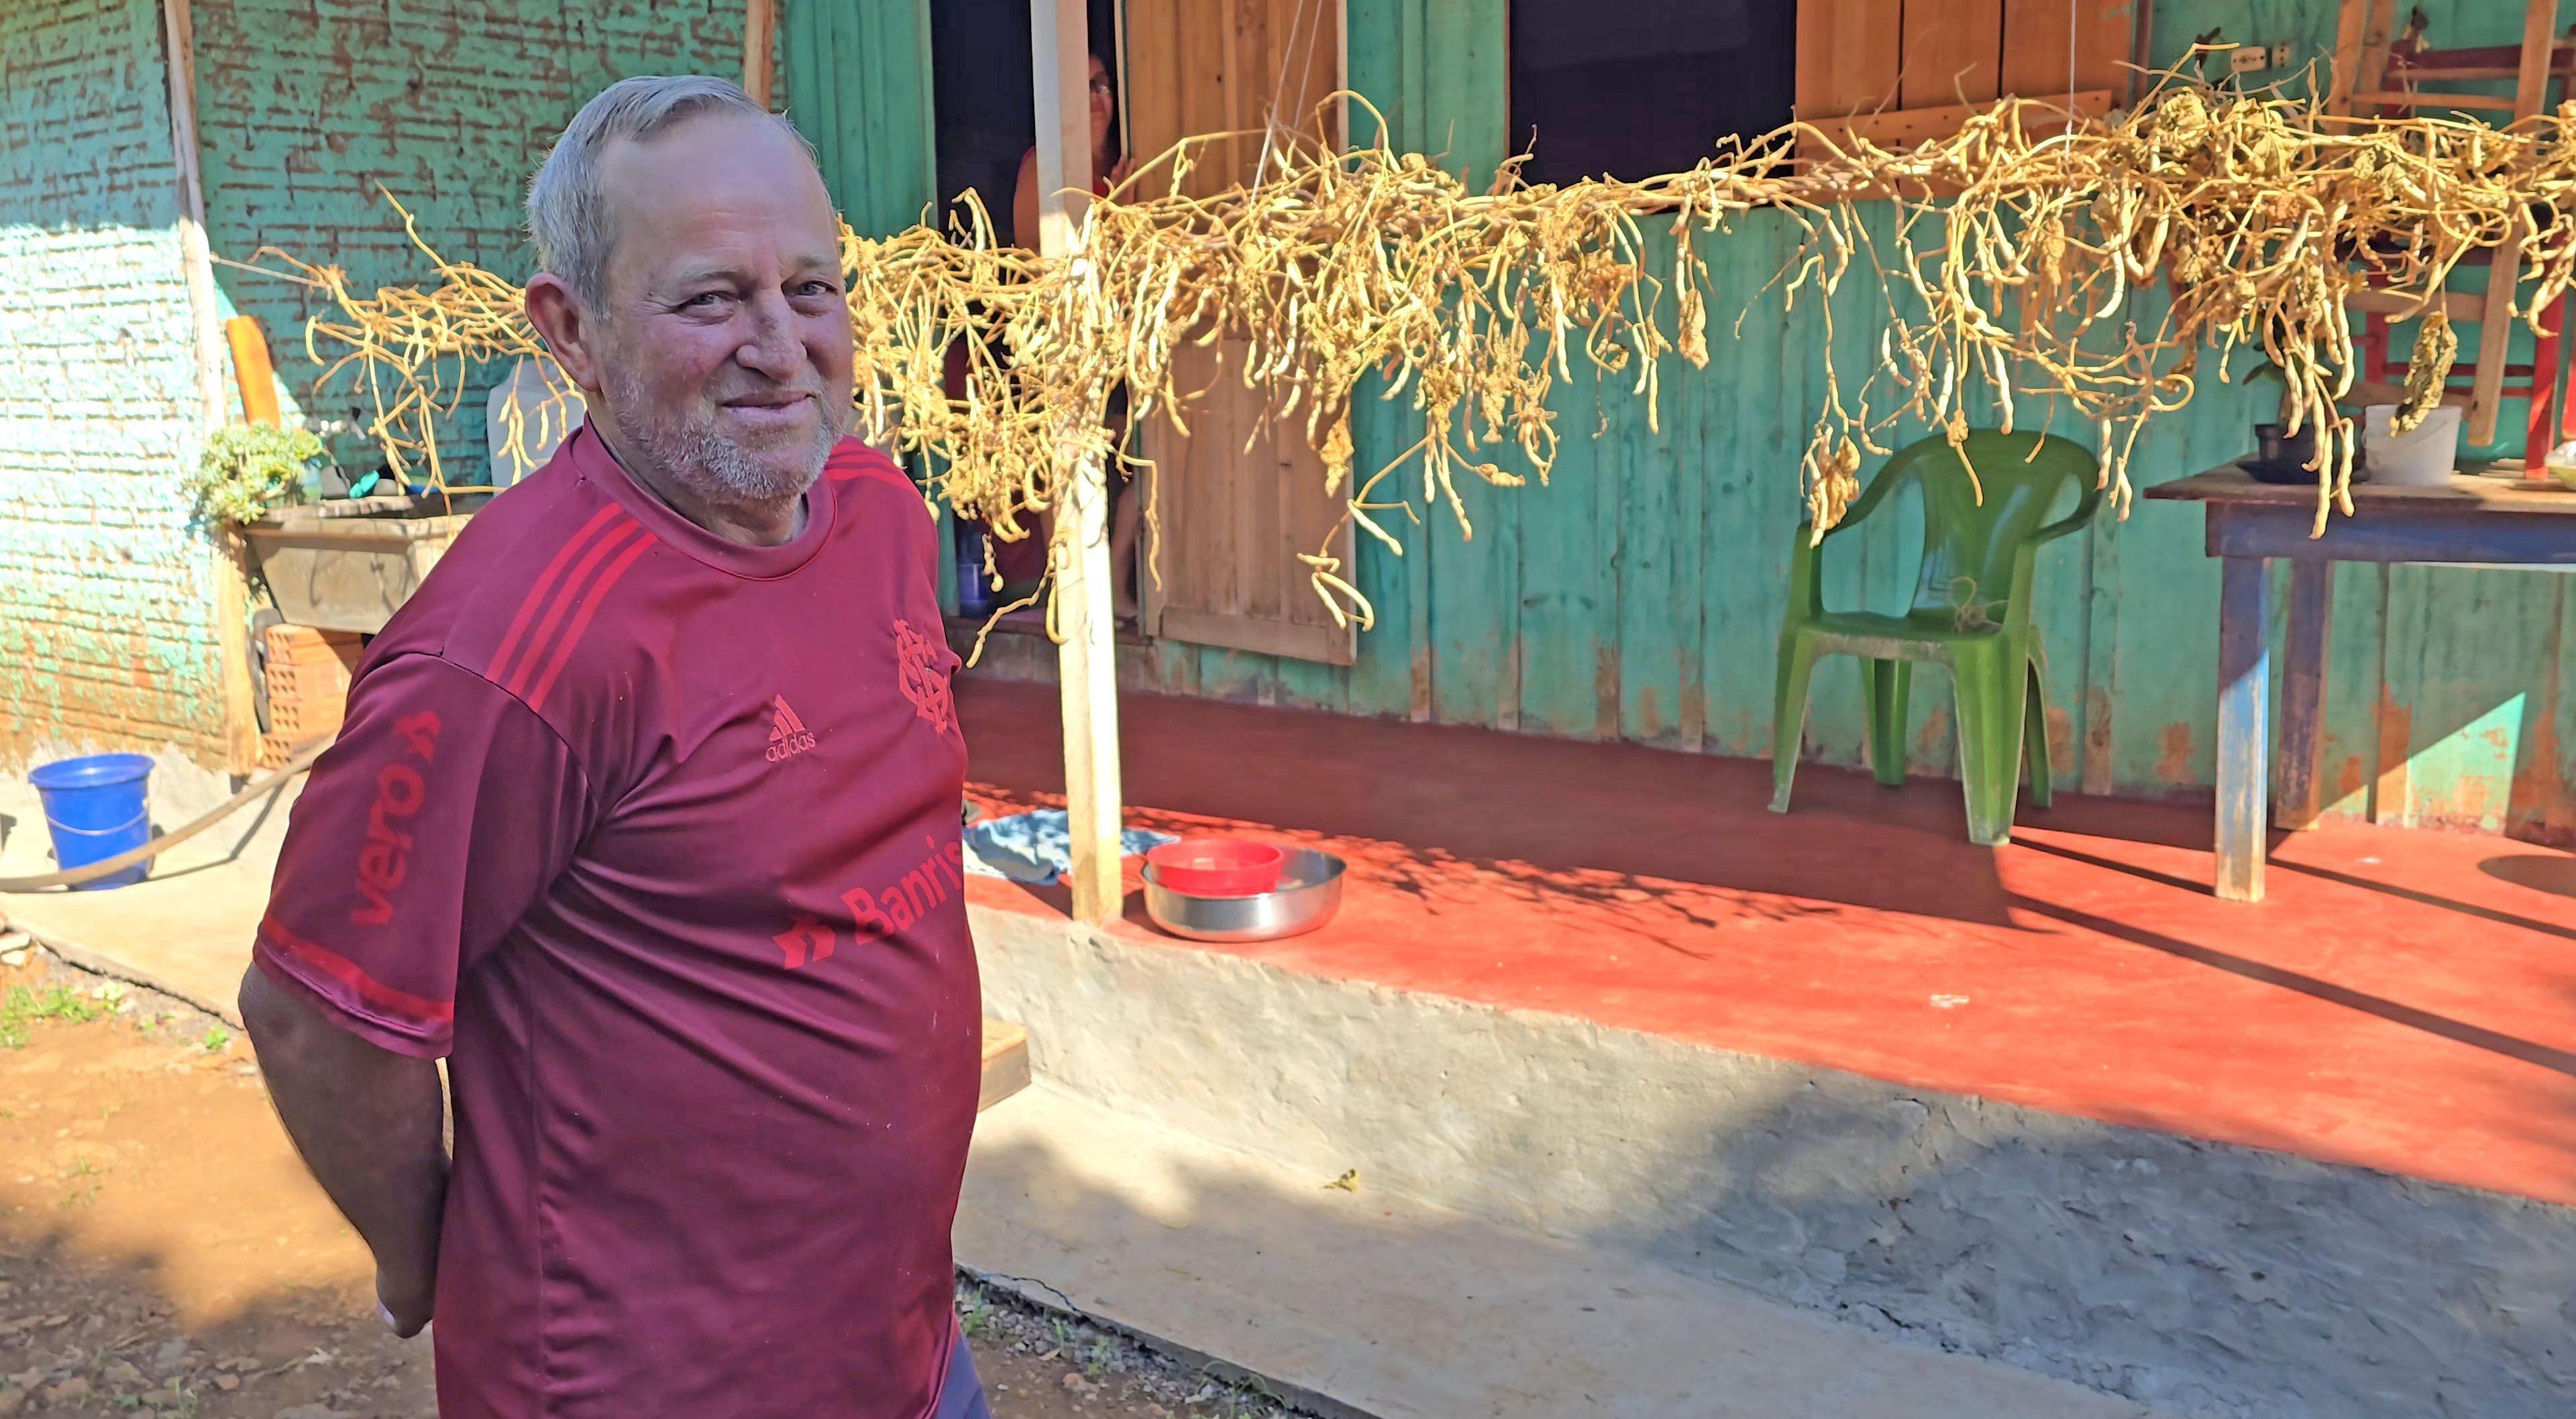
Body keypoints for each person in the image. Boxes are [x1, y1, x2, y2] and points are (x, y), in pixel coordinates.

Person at [237, 76, 989, 1419]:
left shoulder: (875, 510)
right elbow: (318, 1010)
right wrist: (427, 1264)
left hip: (908, 1347)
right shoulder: (506, 648)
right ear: (570, 333)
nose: (780, 344)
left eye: (809, 287)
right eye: (709, 299)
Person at [987, 52, 1143, 617]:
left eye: (1103, 85)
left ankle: (1117, 586)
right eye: (1082, 89)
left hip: (1125, 338)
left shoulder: (1129, 167)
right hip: (1063, 340)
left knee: (1137, 462)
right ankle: (1068, 590)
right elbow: (1039, 265)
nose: (1097, 97)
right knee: (1068, 463)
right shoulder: (1044, 168)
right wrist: (1113, 225)